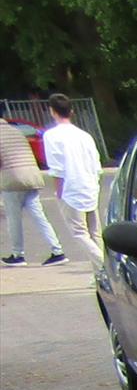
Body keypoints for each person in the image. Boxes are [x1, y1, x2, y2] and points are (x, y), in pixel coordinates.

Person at [38, 95, 101, 266]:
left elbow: (57, 167)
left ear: (52, 111)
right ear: (71, 111)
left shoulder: (51, 136)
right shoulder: (84, 136)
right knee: (95, 233)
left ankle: (105, 266)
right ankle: (100, 272)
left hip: (71, 188)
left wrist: (59, 192)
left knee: (79, 232)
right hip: (90, 185)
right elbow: (96, 163)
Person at [0, 116, 64, 265]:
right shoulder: (15, 131)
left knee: (14, 219)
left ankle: (18, 255)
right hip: (31, 177)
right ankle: (57, 250)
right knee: (40, 217)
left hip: (13, 179)